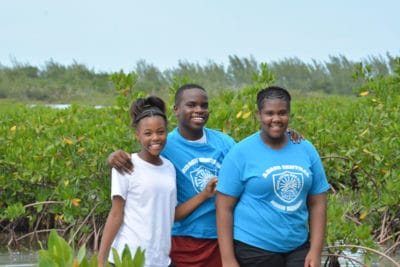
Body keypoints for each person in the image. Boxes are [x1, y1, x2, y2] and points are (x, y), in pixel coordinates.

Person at [108, 84, 303, 267]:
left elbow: (252, 161)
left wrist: (281, 134)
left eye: (204, 105)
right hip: (181, 238)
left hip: (220, 237)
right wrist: (113, 157)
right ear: (176, 110)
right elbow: (143, 162)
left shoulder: (224, 142)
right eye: (191, 105)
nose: (199, 110)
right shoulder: (166, 145)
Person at [216, 86, 329, 267]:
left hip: (298, 246)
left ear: (289, 114)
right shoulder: (240, 153)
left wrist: (315, 251)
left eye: (282, 113)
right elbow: (223, 208)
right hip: (253, 247)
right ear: (259, 114)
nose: (276, 119)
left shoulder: (305, 148)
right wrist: (228, 259)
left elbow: (317, 203)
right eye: (270, 113)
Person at [98, 96, 177, 267]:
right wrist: (100, 259)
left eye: (160, 132)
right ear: (138, 135)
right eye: (148, 133)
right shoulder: (126, 165)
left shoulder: (169, 167)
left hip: (161, 260)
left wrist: (204, 195)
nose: (155, 138)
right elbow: (115, 214)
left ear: (167, 132)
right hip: (129, 259)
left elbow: (170, 212)